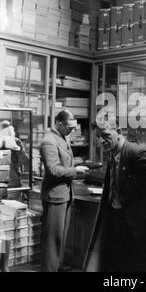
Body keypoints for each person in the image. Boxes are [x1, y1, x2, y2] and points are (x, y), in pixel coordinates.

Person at [82, 116, 146, 272]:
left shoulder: (135, 153)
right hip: (120, 221)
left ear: (118, 132)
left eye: (105, 136)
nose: (101, 141)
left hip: (138, 227)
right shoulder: (113, 152)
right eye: (98, 137)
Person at [40, 110, 89, 272]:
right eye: (69, 127)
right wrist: (76, 171)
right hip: (55, 196)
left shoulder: (62, 137)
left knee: (60, 238)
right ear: (59, 123)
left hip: (64, 194)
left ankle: (56, 267)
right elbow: (53, 169)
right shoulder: (49, 141)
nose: (72, 131)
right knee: (52, 241)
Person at [0, 120, 29, 188]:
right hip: (12, 182)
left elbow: (24, 161)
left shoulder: (15, 142)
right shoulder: (15, 142)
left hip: (10, 182)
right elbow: (25, 161)